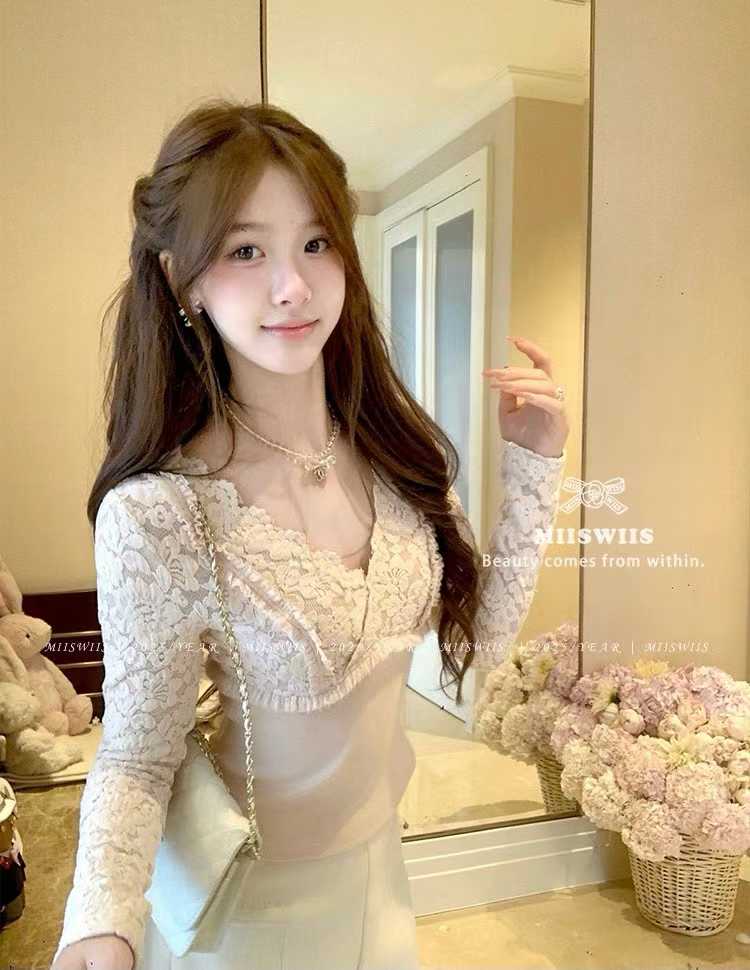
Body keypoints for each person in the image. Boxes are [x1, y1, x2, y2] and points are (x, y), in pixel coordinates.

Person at [50, 98, 570, 970]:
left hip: (382, 877)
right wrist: (98, 924)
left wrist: (536, 466)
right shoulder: (162, 512)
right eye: (246, 250)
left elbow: (481, 640)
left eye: (317, 243)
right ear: (183, 280)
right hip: (250, 915)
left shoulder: (398, 459)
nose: (292, 285)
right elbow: (137, 757)